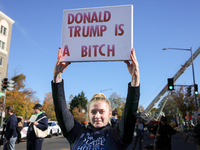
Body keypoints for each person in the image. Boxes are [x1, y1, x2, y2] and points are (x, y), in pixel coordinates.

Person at [51, 47, 140, 149]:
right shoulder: (76, 133)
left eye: (102, 111)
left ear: (110, 113)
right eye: (93, 112)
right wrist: (57, 76)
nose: (97, 116)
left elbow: (130, 113)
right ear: (88, 113)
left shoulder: (117, 136)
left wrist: (135, 78)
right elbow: (61, 110)